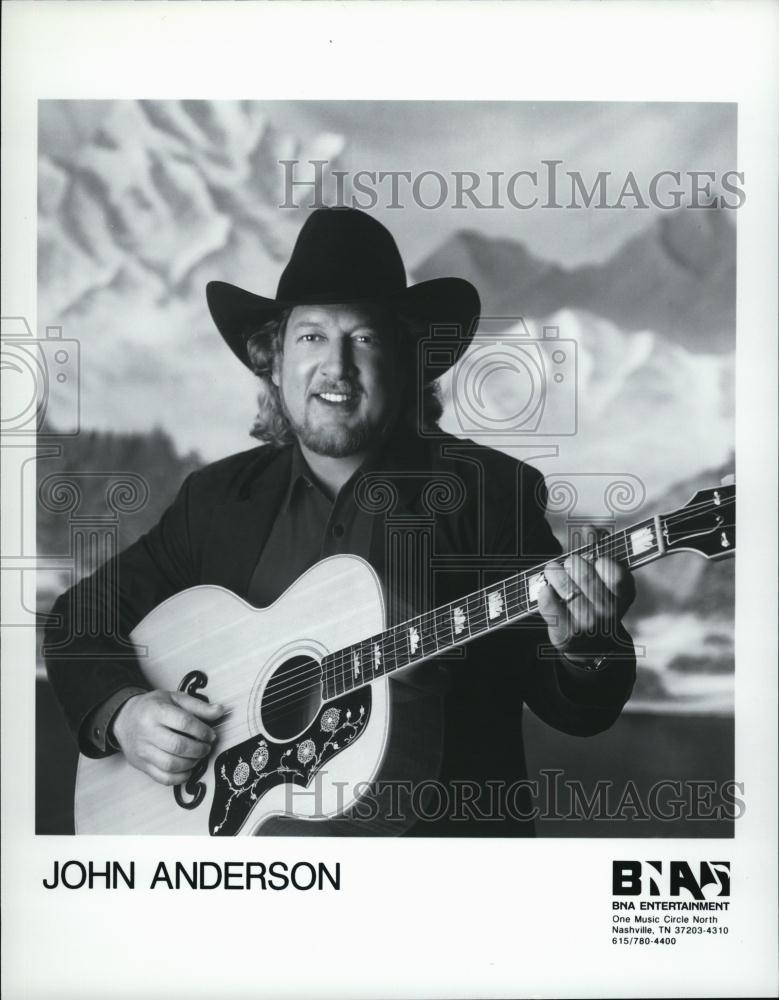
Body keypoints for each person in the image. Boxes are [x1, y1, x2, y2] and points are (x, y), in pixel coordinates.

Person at [45, 207, 636, 835]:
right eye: (311, 337)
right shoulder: (216, 502)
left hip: (432, 893)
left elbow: (574, 708)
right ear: (272, 360)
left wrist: (586, 643)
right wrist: (126, 715)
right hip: (249, 892)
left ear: (406, 363)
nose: (337, 366)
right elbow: (78, 621)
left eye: (365, 338)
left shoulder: (486, 496)